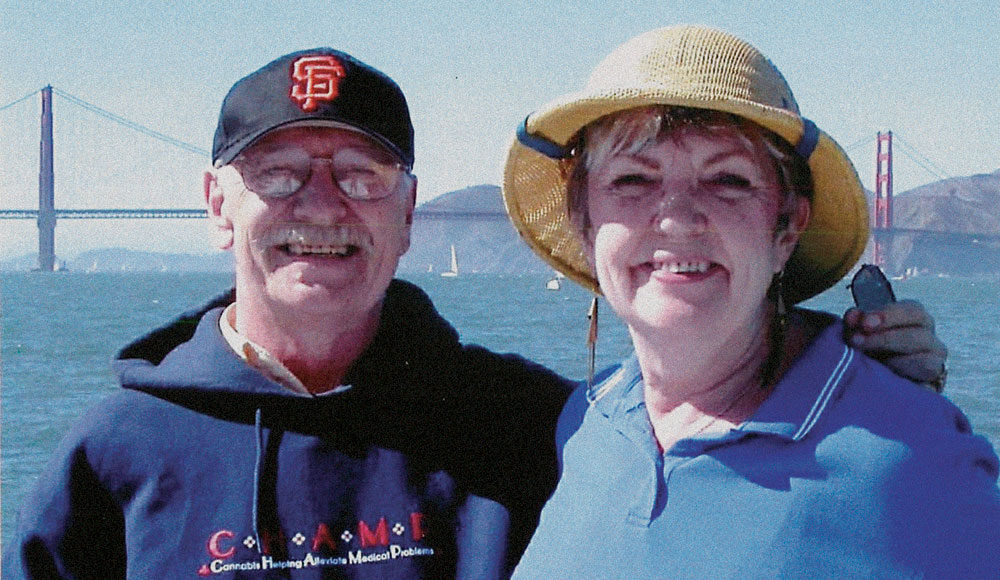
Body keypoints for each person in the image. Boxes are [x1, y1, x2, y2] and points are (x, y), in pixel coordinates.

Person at [3, 45, 951, 579]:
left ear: (409, 213)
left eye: (363, 177)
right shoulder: (113, 455)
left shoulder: (541, 426)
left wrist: (845, 378)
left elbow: (708, 456)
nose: (323, 208)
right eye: (281, 175)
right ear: (218, 206)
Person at [502, 25, 1000, 578]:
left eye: (728, 180)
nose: (676, 217)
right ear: (585, 223)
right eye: (633, 179)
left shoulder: (920, 458)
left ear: (786, 228)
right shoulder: (584, 422)